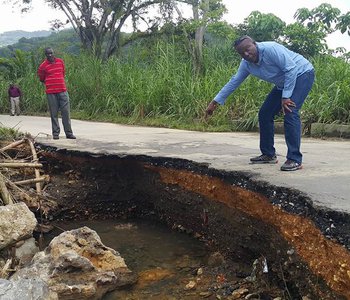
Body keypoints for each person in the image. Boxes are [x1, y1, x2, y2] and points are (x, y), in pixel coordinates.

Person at [205, 36, 314, 171]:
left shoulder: (271, 49)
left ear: (254, 44)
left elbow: (291, 69)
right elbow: (234, 81)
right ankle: (268, 154)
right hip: (283, 83)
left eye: (248, 49)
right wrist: (215, 102)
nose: (246, 54)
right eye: (241, 53)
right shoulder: (246, 64)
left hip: (302, 74)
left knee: (290, 111)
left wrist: (286, 97)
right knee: (265, 113)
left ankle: (294, 159)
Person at [38, 47, 76, 140]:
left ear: (53, 53)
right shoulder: (43, 66)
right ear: (45, 55)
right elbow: (41, 79)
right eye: (48, 54)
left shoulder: (60, 62)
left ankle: (69, 133)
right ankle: (56, 134)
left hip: (63, 90)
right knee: (54, 113)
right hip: (51, 92)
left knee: (66, 113)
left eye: (51, 53)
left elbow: (62, 73)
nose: (50, 55)